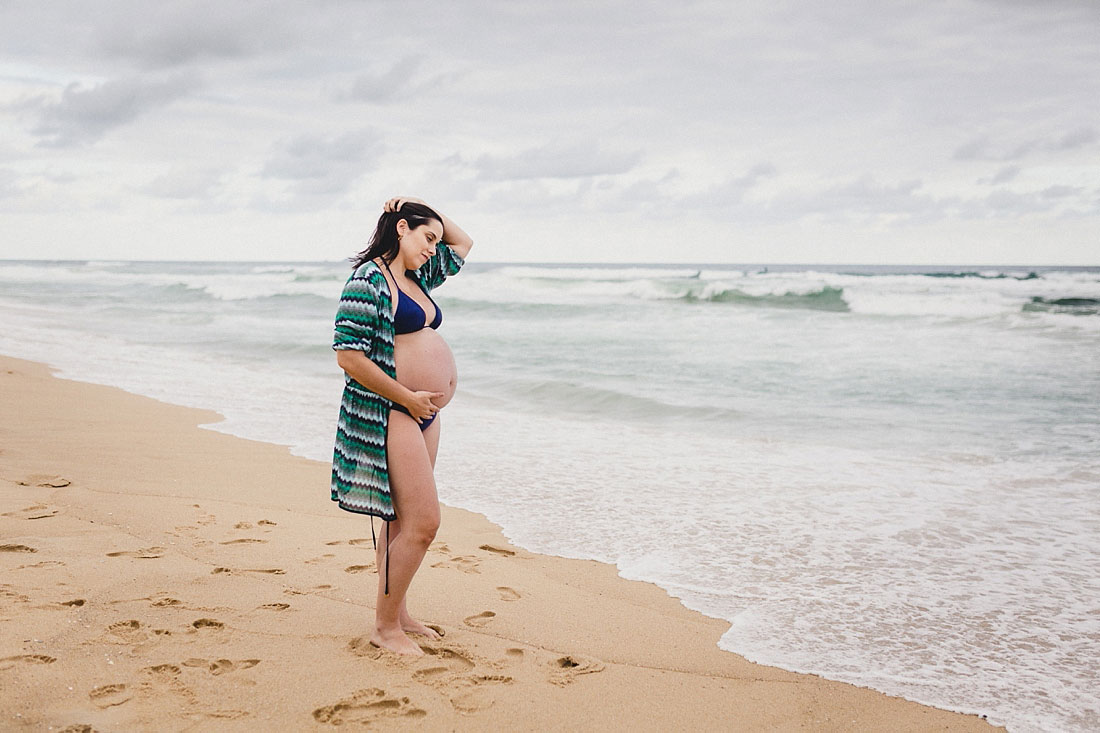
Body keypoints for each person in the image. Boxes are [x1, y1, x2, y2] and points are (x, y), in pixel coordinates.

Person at [331, 196, 473, 656]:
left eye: (435, 240)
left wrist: (425, 207)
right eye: (426, 237)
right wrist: (407, 396)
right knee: (424, 523)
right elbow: (347, 355)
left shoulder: (416, 276)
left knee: (400, 522)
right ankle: (384, 628)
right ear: (401, 229)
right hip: (392, 410)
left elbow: (465, 242)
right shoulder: (368, 279)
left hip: (423, 413)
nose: (435, 247)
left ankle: (400, 615)